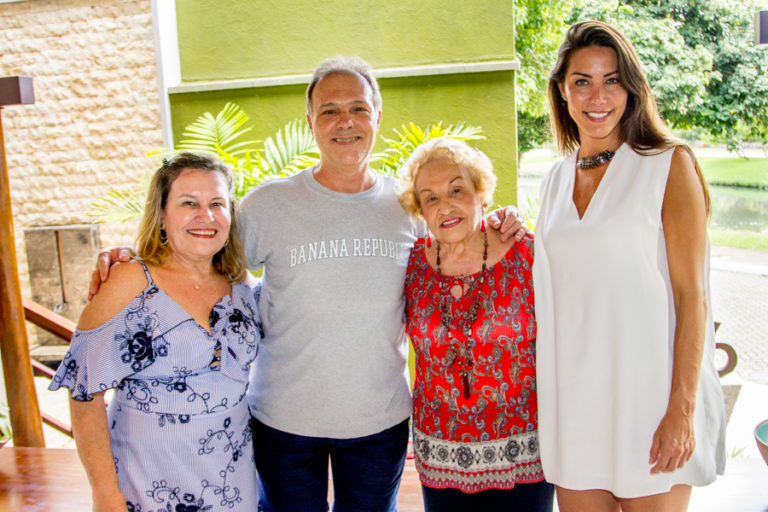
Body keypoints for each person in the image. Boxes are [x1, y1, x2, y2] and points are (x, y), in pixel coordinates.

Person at [91, 55, 526, 512]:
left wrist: (501, 220)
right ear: (310, 122)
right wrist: (134, 258)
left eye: (358, 108)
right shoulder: (266, 205)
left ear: (377, 117)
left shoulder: (409, 208)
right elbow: (196, 252)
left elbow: (460, 241)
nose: (345, 122)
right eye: (329, 110)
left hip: (379, 423)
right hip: (284, 424)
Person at [533, 21, 726, 511]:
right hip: (575, 409)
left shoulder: (667, 164)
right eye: (582, 81)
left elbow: (692, 296)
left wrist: (681, 408)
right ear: (562, 90)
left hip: (651, 401)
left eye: (612, 80)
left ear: (632, 88)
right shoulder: (554, 181)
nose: (597, 96)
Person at [50, 153, 262, 511]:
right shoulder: (129, 281)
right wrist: (105, 494)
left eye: (217, 204)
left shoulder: (239, 282)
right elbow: (84, 396)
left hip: (233, 478)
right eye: (189, 203)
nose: (206, 216)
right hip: (149, 480)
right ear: (161, 215)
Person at [397, 137, 554, 512]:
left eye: (457, 190)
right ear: (420, 210)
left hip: (523, 454)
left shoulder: (526, 253)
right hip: (440, 455)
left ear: (481, 192)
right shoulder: (411, 265)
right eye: (431, 198)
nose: (445, 206)